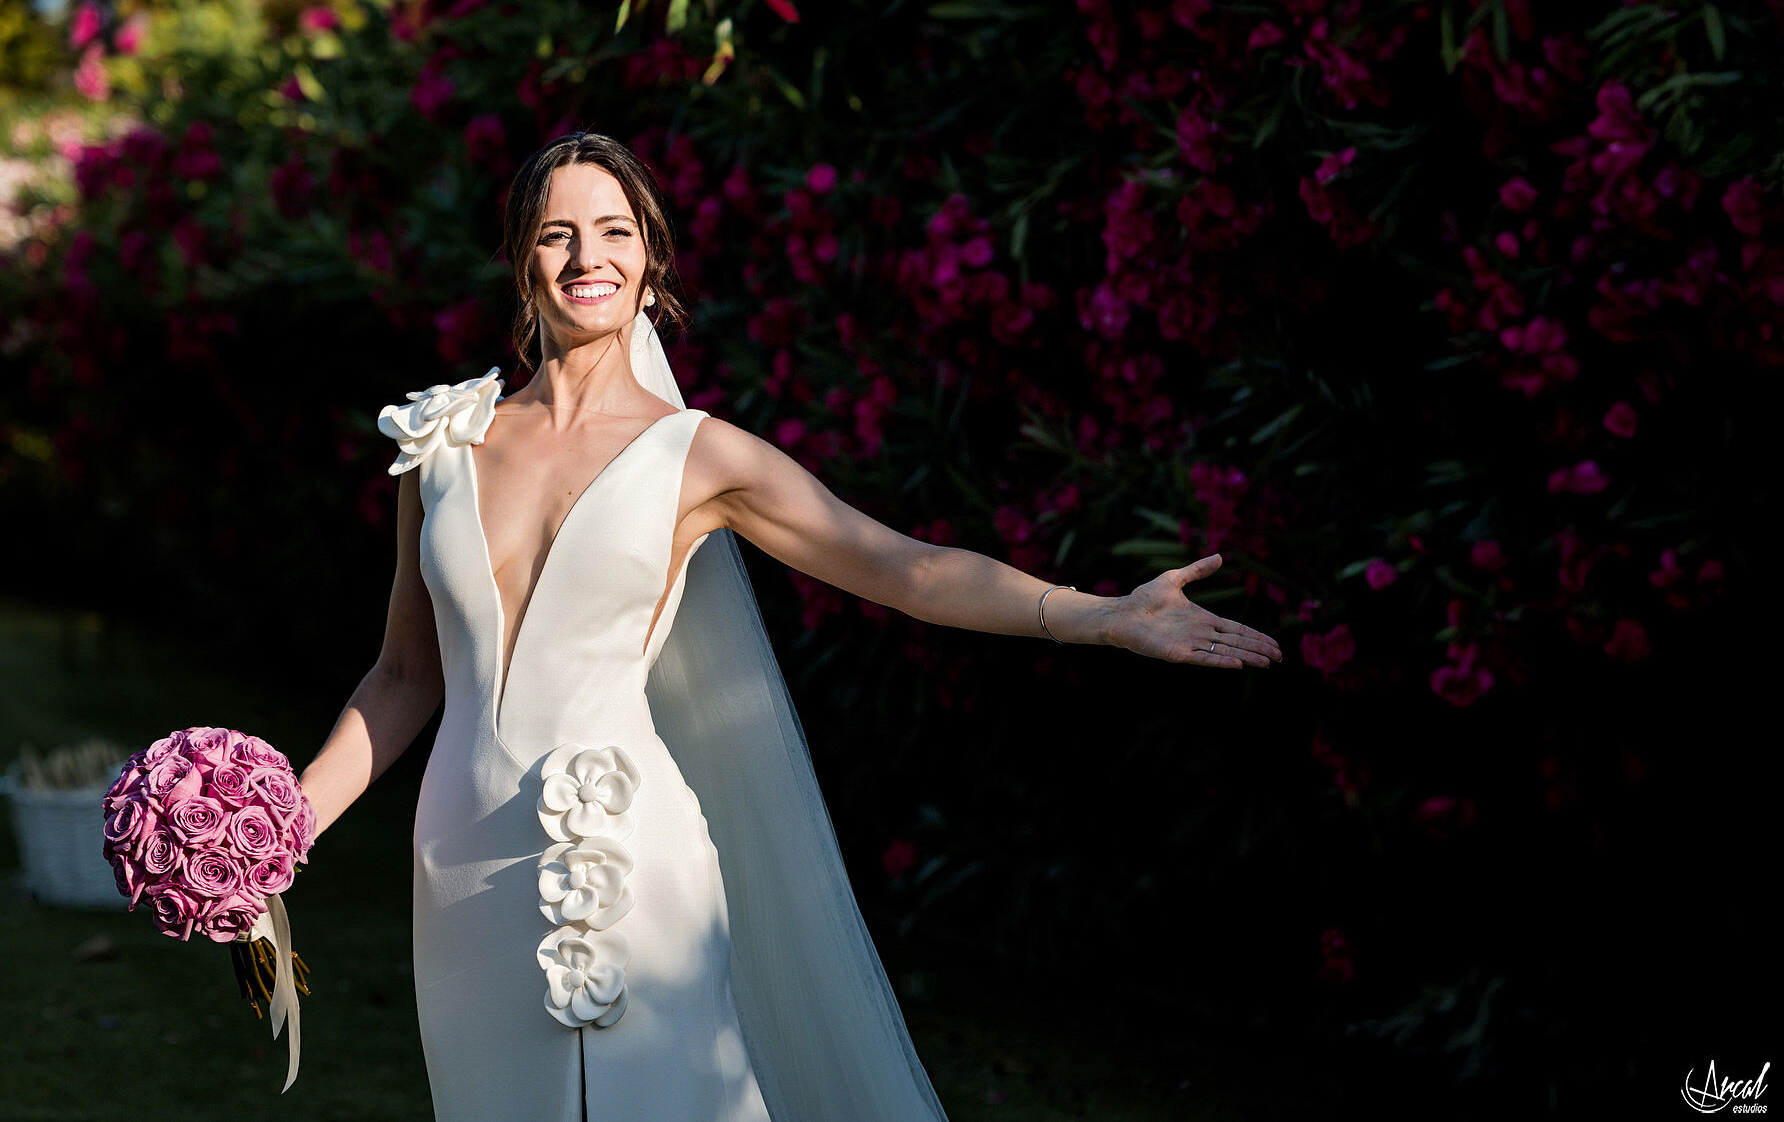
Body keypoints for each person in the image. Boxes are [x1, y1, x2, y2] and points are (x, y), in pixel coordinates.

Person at [298, 132, 1282, 1121]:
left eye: (613, 231)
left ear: (650, 261)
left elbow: (903, 567)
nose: (585, 257)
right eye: (556, 233)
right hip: (458, 871)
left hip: (629, 857)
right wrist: (275, 828)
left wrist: (1099, 617)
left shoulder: (698, 456)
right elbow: (402, 678)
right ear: (519, 257)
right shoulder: (439, 446)